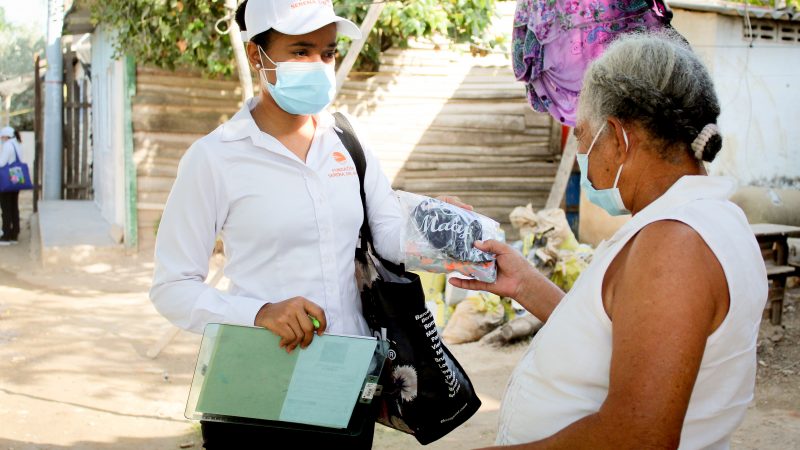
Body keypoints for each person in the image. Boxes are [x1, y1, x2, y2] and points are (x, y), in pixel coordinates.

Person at [150, 1, 467, 448]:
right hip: (257, 391)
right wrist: (259, 313)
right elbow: (172, 287)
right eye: (300, 51)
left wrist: (441, 229)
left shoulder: (346, 142)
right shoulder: (214, 157)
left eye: (327, 52)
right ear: (259, 56)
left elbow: (392, 237)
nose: (318, 66)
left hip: (347, 385)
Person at [451, 31, 768, 450]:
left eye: (583, 136)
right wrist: (525, 284)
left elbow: (638, 436)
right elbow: (627, 336)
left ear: (619, 139)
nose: (582, 153)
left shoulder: (676, 244)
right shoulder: (694, 222)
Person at [0, 126, 23, 245]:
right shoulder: (17, 144)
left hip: (6, 179)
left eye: (2, 136)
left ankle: (6, 235)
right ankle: (15, 233)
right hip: (16, 177)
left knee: (6, 206)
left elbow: (2, 162)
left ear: (6, 136)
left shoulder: (8, 145)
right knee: (14, 205)